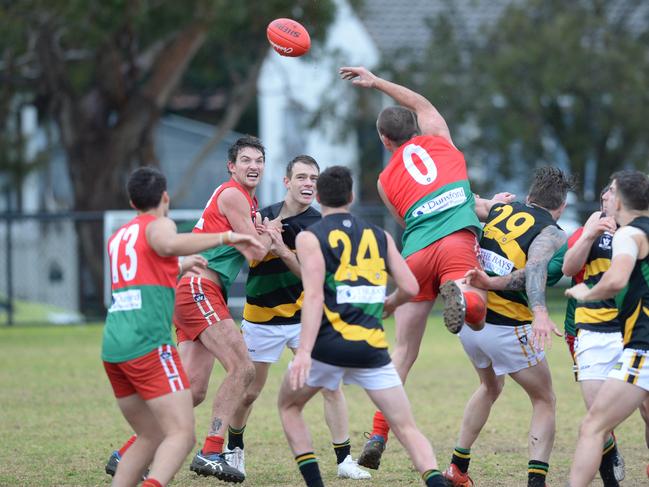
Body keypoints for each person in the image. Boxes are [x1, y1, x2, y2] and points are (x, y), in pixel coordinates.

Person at [340, 65, 509, 469]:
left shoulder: (383, 180)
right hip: (456, 238)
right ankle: (465, 302)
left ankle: (378, 432)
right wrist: (377, 81)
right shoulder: (438, 136)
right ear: (415, 125)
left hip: (415, 253)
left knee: (403, 351)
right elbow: (419, 102)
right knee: (478, 313)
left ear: (385, 140)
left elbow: (403, 219)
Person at [106, 136, 277, 483]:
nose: (254, 166)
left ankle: (126, 453)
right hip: (201, 288)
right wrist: (270, 233)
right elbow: (256, 253)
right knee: (242, 367)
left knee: (193, 390)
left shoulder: (247, 200)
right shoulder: (232, 194)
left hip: (195, 291)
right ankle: (212, 451)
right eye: (246, 160)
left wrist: (260, 231)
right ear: (232, 167)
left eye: (259, 160)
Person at [278, 165, 447, 487]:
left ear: (319, 196)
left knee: (288, 406)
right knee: (407, 428)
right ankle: (435, 481)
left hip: (327, 349)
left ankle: (315, 483)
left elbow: (313, 297)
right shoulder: (379, 235)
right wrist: (391, 303)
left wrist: (303, 352)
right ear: (352, 197)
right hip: (372, 350)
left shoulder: (309, 237)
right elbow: (411, 287)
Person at [225, 155, 370, 479]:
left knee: (331, 386)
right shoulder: (261, 216)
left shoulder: (318, 226)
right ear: (286, 181)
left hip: (304, 318)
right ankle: (234, 450)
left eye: (314, 179)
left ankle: (344, 460)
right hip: (262, 318)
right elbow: (249, 256)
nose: (308, 183)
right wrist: (266, 240)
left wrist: (282, 250)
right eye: (302, 177)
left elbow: (313, 278)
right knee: (249, 390)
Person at [444, 167, 575, 487]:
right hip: (507, 329)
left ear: (529, 196)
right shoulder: (553, 233)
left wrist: (484, 198)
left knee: (491, 386)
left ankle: (456, 469)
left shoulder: (502, 207)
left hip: (471, 322)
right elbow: (533, 272)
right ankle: (536, 482)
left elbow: (465, 202)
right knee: (545, 399)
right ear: (562, 207)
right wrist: (541, 311)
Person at [566, 170, 649, 487]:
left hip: (642, 347)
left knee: (592, 427)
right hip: (612, 338)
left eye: (611, 191)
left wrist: (587, 291)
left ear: (622, 199)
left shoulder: (629, 234)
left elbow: (615, 280)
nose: (605, 196)